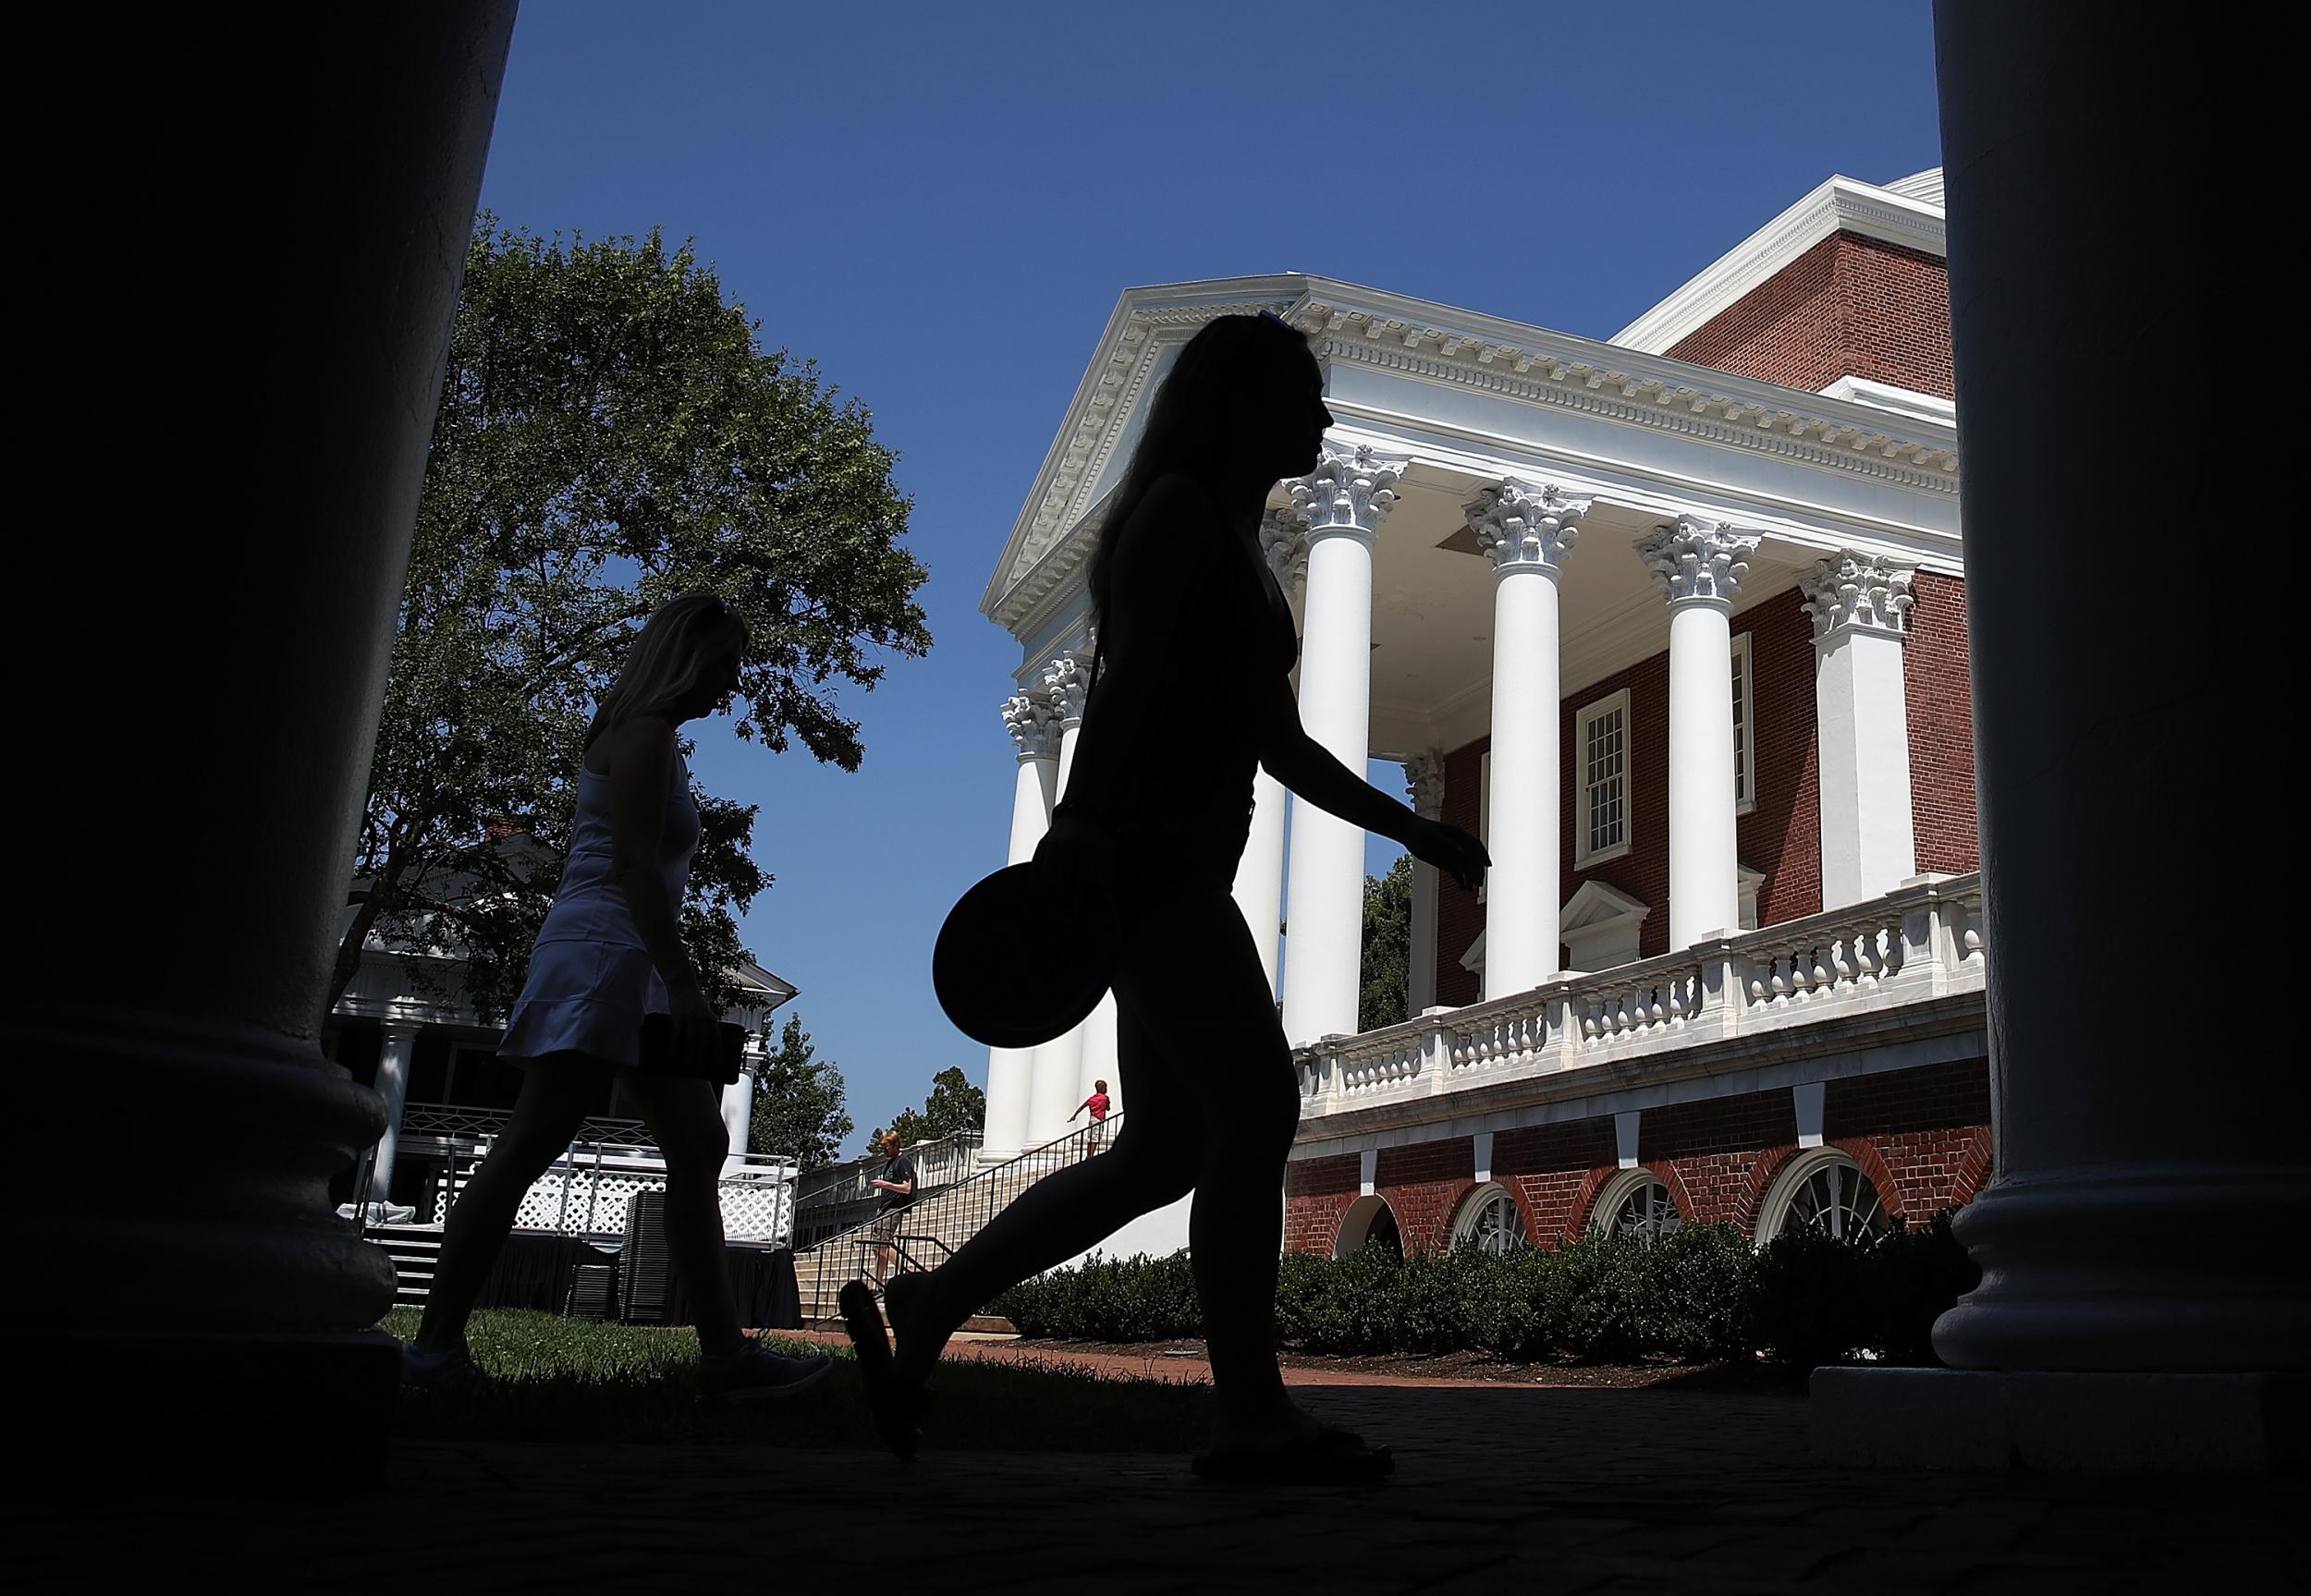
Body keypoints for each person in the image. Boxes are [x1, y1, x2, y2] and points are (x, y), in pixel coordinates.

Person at [841, 313, 1487, 1480]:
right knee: (1258, 1105)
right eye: (1305, 397)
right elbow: (1130, 678)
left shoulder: (1225, 528)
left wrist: (1413, 825)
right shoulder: (1180, 516)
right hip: (1147, 868)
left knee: (1163, 1150)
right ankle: (1248, 1414)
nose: (1325, 420)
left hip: (1173, 867)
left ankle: (929, 1303)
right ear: (1240, 404)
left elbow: (1274, 739)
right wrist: (1080, 838)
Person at [404, 593, 832, 1401]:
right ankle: (431, 1350)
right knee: (535, 1137)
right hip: (604, 953)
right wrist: (684, 983)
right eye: (725, 664)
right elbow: (634, 867)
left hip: (622, 955)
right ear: (687, 658)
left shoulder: (647, 735)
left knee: (700, 1142)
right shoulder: (643, 736)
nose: (730, 683)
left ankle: (724, 1357)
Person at [867, 1130, 917, 1285]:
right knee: (877, 1247)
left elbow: (907, 1187)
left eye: (887, 1148)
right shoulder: (891, 1162)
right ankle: (878, 1282)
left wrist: (885, 1184)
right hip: (884, 1207)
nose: (884, 1151)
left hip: (894, 1208)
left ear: (895, 1145)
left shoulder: (903, 1161)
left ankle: (907, 1273)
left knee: (882, 1245)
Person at [1066, 1078, 1112, 1151]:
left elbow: (1082, 1107)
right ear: (1102, 1088)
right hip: (1099, 1119)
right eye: (1105, 1087)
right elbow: (1108, 1108)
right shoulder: (1105, 1098)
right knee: (1095, 1138)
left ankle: (1089, 1154)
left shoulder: (1092, 1098)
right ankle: (1091, 1155)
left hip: (1092, 1118)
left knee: (1091, 1138)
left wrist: (1074, 1116)